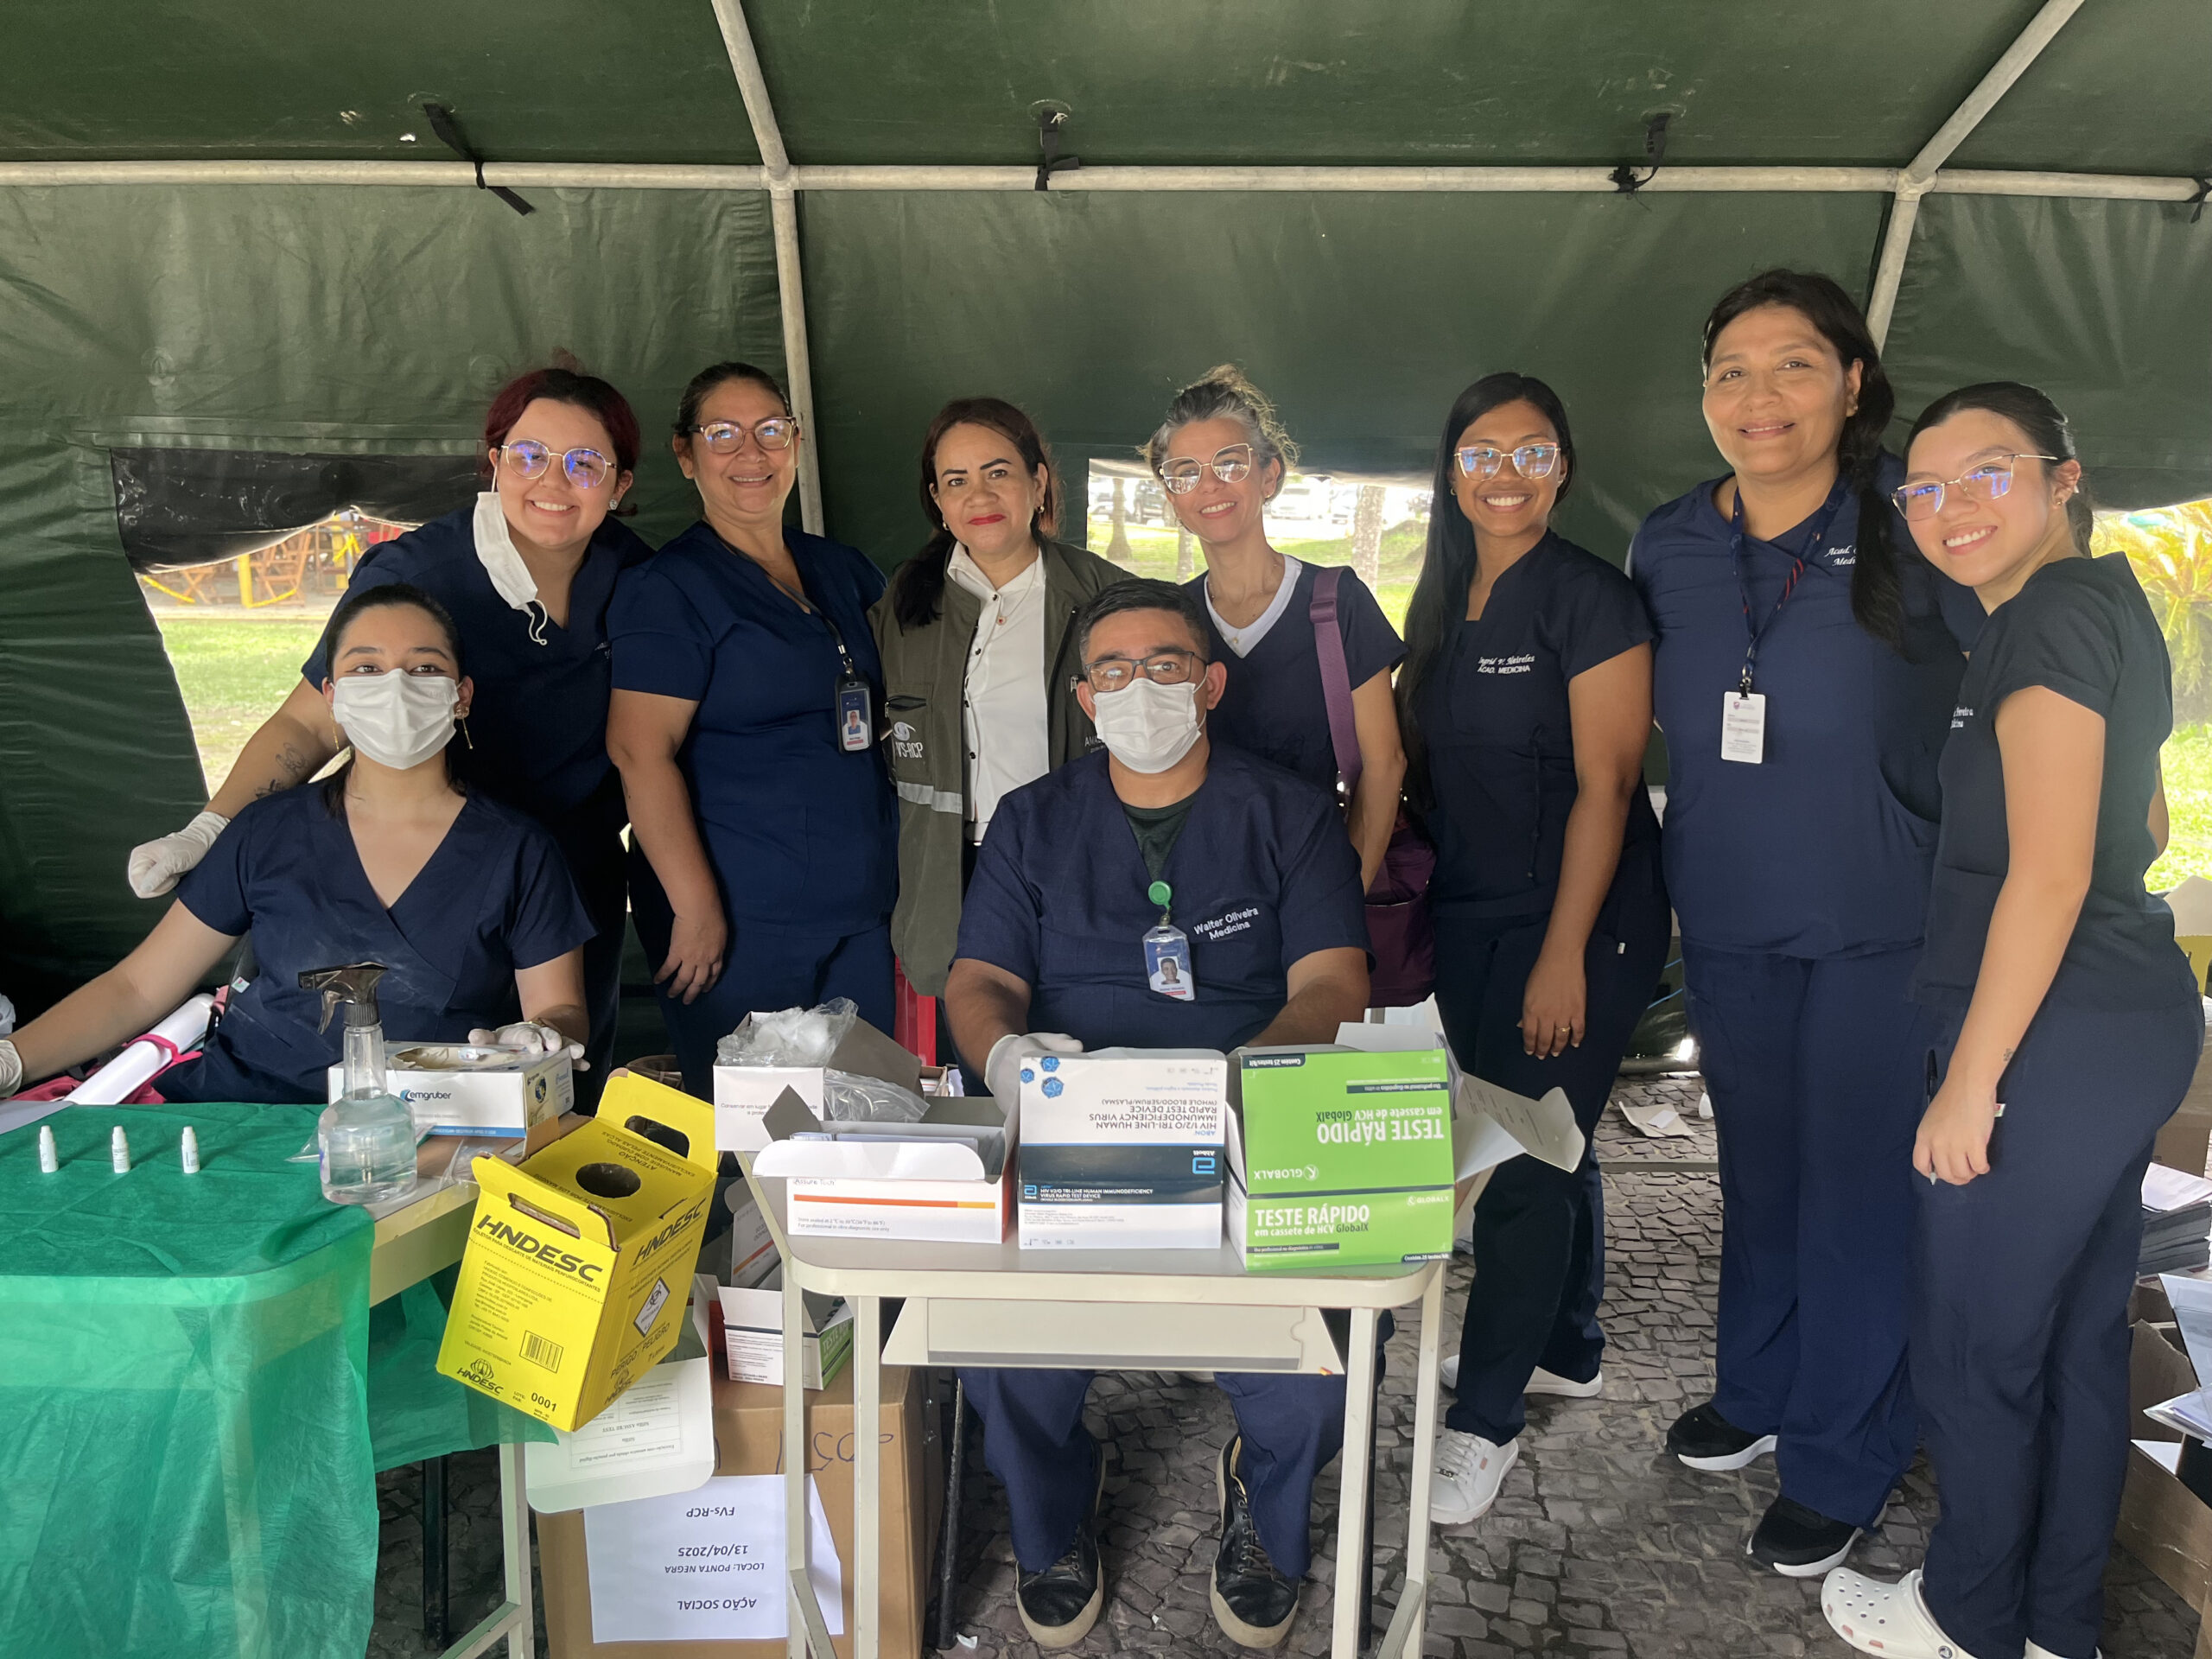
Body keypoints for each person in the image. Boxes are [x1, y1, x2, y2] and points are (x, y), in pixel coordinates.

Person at [1821, 385, 2199, 1659]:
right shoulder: (2094, 607)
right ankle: (2052, 1625)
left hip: (2050, 1036)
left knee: (1979, 1346)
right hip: (2126, 1015)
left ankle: (1967, 1617)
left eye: (1987, 473)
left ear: (2064, 477)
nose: (1950, 507)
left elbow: (2046, 873)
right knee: (2079, 1340)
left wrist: (1969, 1081)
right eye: (1924, 490)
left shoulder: (2042, 620)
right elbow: (2140, 827)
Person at [1629, 270, 1988, 1576]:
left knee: (1854, 1193)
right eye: (1730, 369)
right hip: (1726, 911)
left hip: (1880, 917)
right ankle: (1763, 1389)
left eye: (1792, 365)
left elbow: (2015, 682)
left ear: (1851, 384)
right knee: (1759, 1175)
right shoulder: (1669, 540)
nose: (1758, 395)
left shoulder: (1914, 521)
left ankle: (1844, 1452)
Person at [945, 579, 1371, 1650]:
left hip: (1244, 1123)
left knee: (1317, 1373)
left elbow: (1332, 981)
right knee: (999, 1358)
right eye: (1115, 671)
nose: (1142, 689)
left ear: (1212, 683)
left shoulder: (1287, 811)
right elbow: (977, 981)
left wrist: (1244, 1076)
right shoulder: (1032, 821)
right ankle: (1053, 1515)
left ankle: (1266, 1508)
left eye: (1168, 666)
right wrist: (1005, 1058)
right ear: (1085, 698)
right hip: (1073, 1128)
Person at [124, 364, 651, 1108]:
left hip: (561, 884)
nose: (554, 481)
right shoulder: (420, 570)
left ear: (619, 484)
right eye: (530, 455)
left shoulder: (638, 579)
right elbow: (313, 719)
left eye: (584, 463)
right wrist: (213, 825)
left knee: (550, 1084)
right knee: (419, 1112)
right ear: (495, 462)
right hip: (433, 867)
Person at [1398, 373, 1669, 1525]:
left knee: (1521, 1160)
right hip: (1470, 909)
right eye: (1480, 452)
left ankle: (1488, 1417)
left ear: (1564, 466)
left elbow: (1609, 785)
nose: (1503, 473)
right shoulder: (1444, 596)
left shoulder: (1588, 599)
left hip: (1579, 914)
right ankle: (1570, 1344)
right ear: (1450, 469)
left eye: (1531, 450)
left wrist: (1565, 950)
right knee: (1556, 1127)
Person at [3, 585, 592, 1103]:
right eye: (367, 669)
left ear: (461, 695)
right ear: (331, 695)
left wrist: (540, 1036)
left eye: (423, 669)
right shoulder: (266, 832)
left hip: (426, 1130)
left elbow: (560, 1011)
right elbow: (136, 988)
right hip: (240, 1118)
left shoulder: (519, 852)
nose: (394, 688)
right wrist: (12, 1063)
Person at [607, 362, 898, 1096]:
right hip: (743, 924)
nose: (751, 454)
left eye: (771, 431)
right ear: (686, 454)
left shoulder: (843, 570)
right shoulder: (668, 590)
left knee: (868, 1122)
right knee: (756, 1141)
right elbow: (639, 750)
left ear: (796, 442)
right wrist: (696, 909)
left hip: (862, 911)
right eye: (723, 434)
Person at [868, 397, 1121, 1014]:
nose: (978, 496)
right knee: (984, 1056)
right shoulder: (906, 602)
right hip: (952, 879)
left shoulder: (1105, 595)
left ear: (1038, 483)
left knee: (1083, 1037)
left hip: (1077, 865)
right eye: (957, 481)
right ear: (938, 500)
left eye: (998, 473)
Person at [1148, 366, 1408, 891]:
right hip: (1197, 886)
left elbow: (1384, 765)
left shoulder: (1336, 603)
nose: (1210, 485)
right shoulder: (1171, 618)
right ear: (1174, 499)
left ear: (1269, 475)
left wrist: (1339, 897)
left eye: (1230, 463)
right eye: (1185, 472)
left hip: (1311, 874)